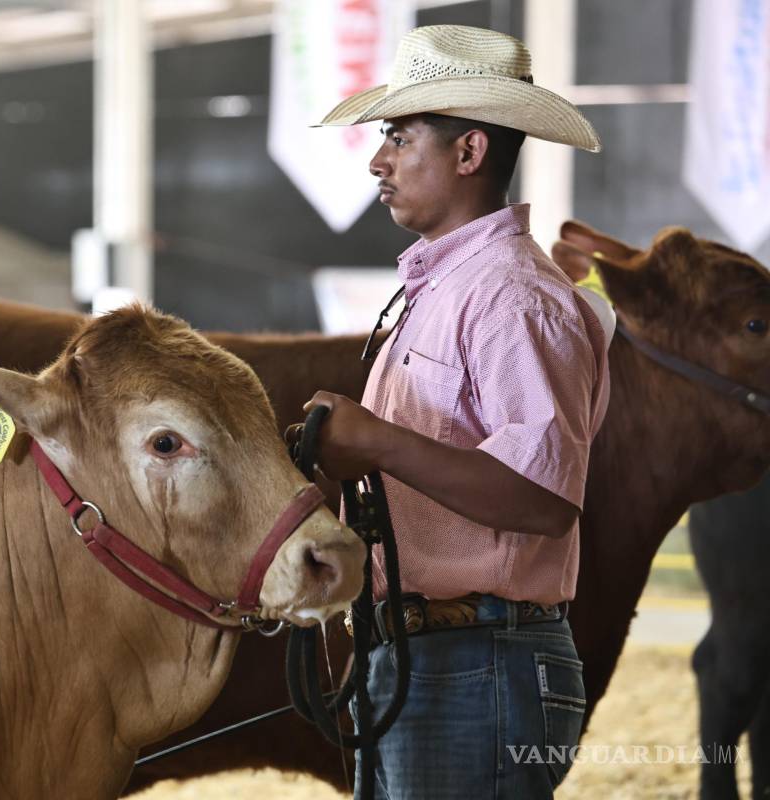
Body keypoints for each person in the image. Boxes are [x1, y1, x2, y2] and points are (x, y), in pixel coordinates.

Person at [307, 25, 611, 799]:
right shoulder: (449, 291)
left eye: (399, 137)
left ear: (469, 153)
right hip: (440, 655)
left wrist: (376, 441)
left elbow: (543, 497)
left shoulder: (512, 296)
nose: (379, 160)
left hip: (484, 662)